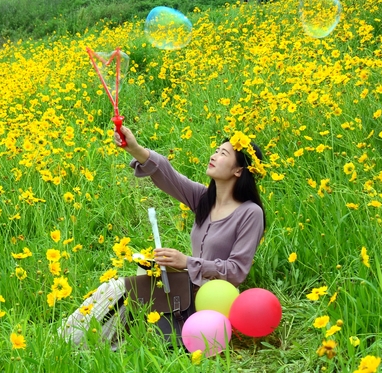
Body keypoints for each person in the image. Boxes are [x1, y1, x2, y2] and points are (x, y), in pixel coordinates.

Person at [62, 127, 267, 346]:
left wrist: (186, 262)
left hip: (212, 300)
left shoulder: (250, 213)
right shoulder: (205, 198)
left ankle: (71, 345)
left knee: (120, 292)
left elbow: (236, 271)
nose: (213, 155)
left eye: (223, 153)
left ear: (238, 170)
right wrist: (134, 148)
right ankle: (70, 341)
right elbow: (170, 176)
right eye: (216, 150)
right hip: (187, 285)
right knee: (114, 288)